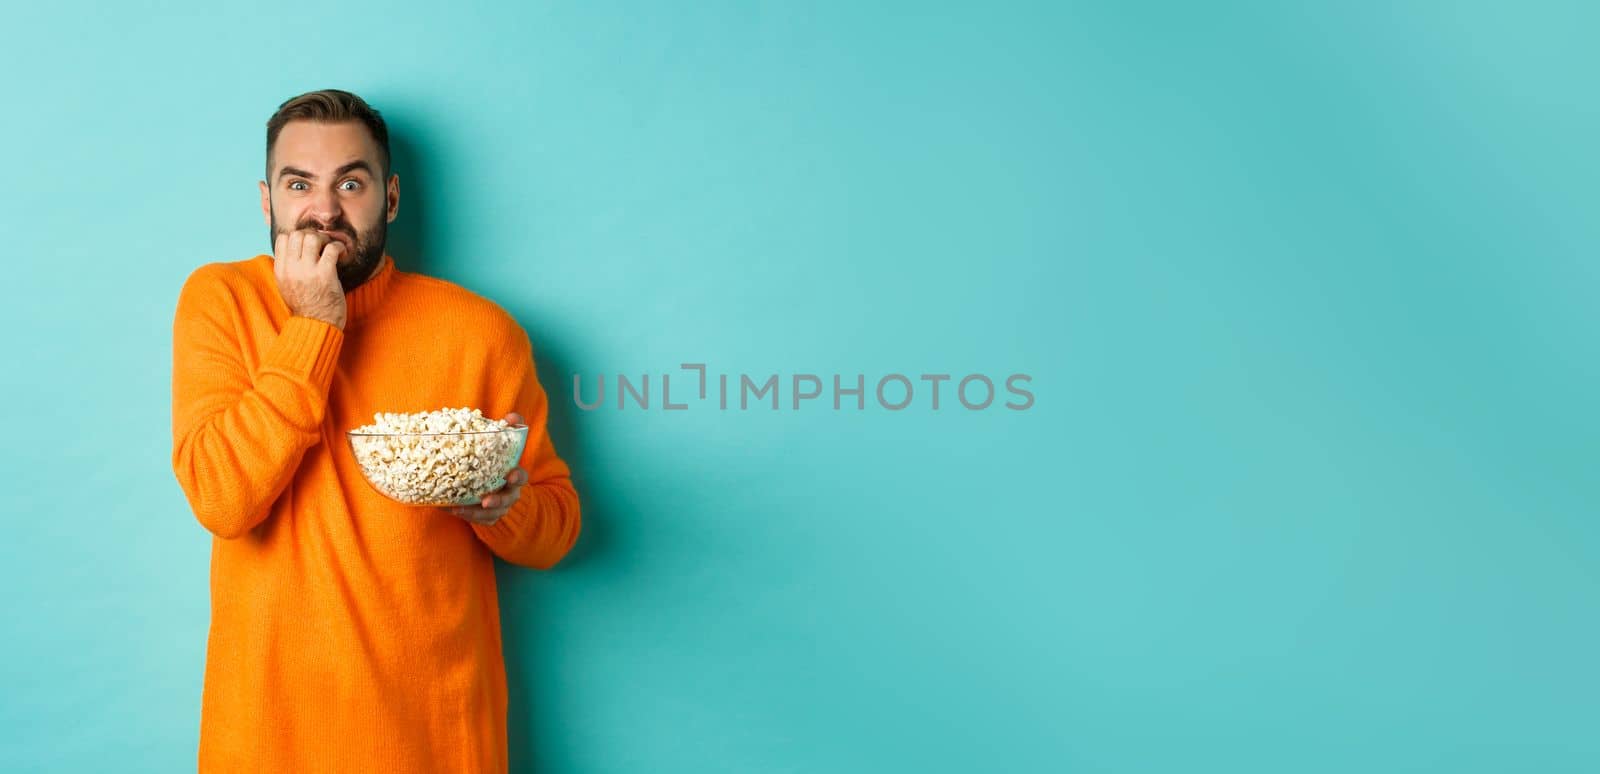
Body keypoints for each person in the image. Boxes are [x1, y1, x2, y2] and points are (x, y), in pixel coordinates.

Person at [168, 88, 581, 772]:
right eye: (299, 184)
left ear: (388, 199)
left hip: (438, 739)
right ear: (268, 201)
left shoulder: (481, 333)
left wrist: (504, 510)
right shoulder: (221, 303)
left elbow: (557, 529)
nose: (323, 210)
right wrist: (315, 325)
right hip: (268, 740)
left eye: (350, 183)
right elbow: (223, 500)